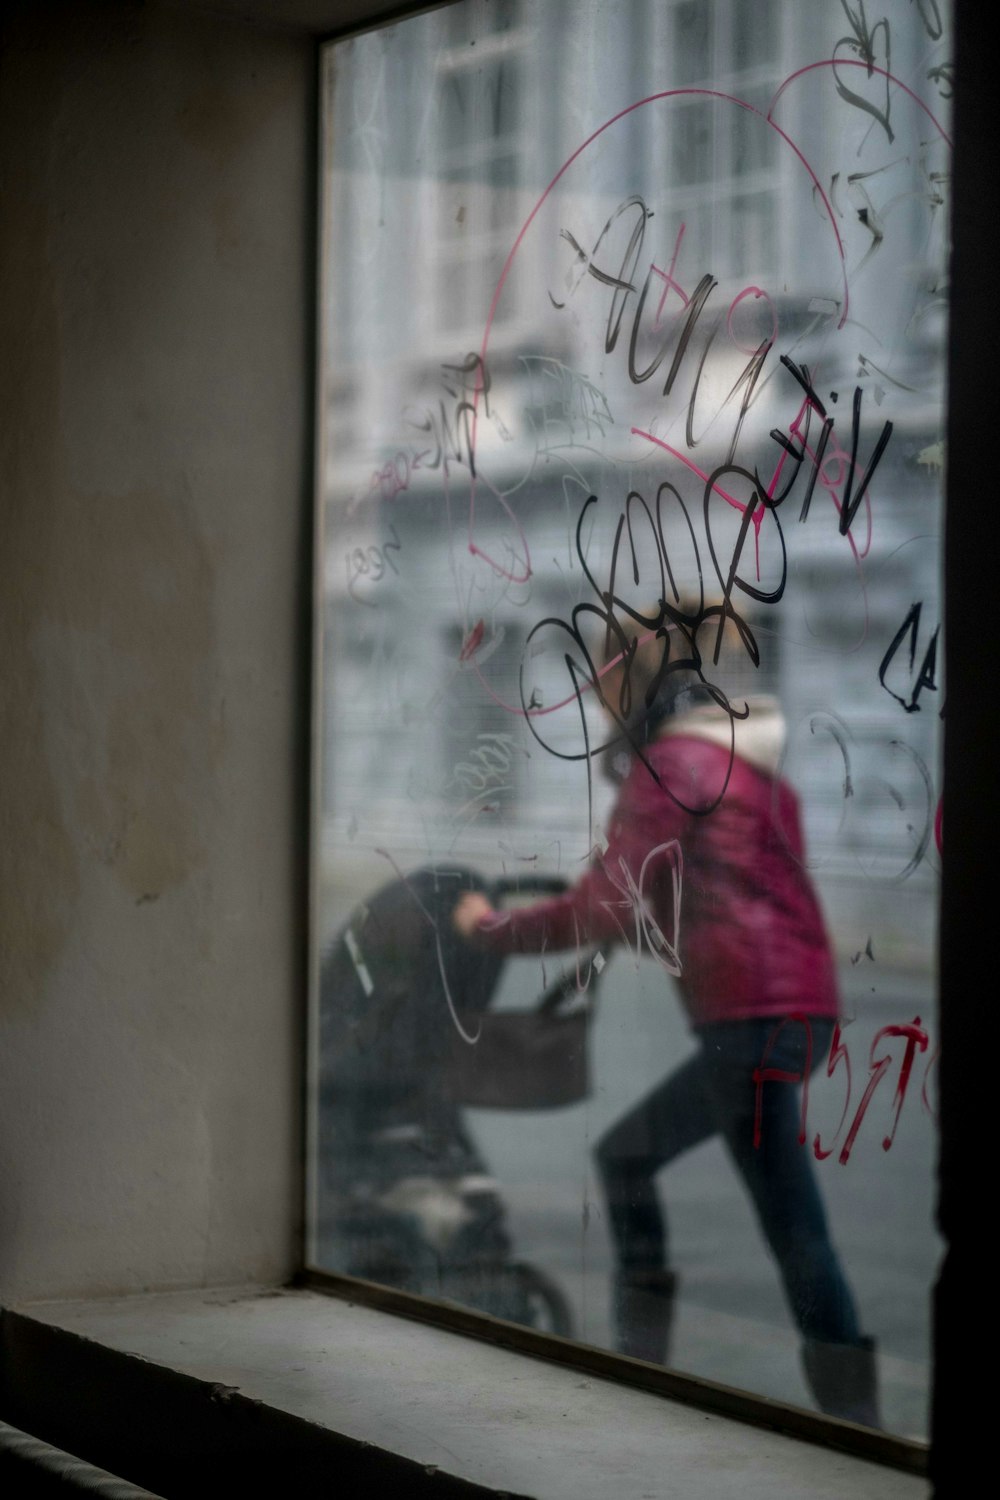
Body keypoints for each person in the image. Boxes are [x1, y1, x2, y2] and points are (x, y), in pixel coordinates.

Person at [452, 600, 879, 1426]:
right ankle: (670, 1372)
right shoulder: (748, 770)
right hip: (797, 1009)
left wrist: (488, 929)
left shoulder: (666, 770)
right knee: (637, 1161)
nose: (596, 704)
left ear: (632, 687)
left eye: (603, 685)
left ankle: (846, 1422)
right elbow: (738, 897)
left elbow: (603, 906)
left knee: (790, 1221)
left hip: (745, 1018)